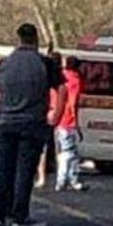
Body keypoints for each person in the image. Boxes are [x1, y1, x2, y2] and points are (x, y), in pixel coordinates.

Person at [0, 23, 64, 226]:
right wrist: (56, 115)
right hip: (32, 121)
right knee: (25, 169)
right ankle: (19, 215)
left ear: (19, 38)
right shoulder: (44, 63)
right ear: (35, 39)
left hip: (6, 121)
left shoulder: (5, 63)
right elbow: (61, 88)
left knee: (3, 167)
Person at [54, 56, 88, 192]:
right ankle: (63, 180)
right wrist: (76, 122)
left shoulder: (60, 77)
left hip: (59, 119)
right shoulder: (75, 80)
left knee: (67, 151)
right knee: (69, 152)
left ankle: (70, 179)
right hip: (68, 120)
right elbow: (73, 102)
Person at [36, 51, 66, 188]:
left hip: (48, 115)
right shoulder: (61, 80)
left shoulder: (47, 79)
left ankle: (43, 177)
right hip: (58, 116)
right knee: (57, 149)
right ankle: (58, 177)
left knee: (44, 149)